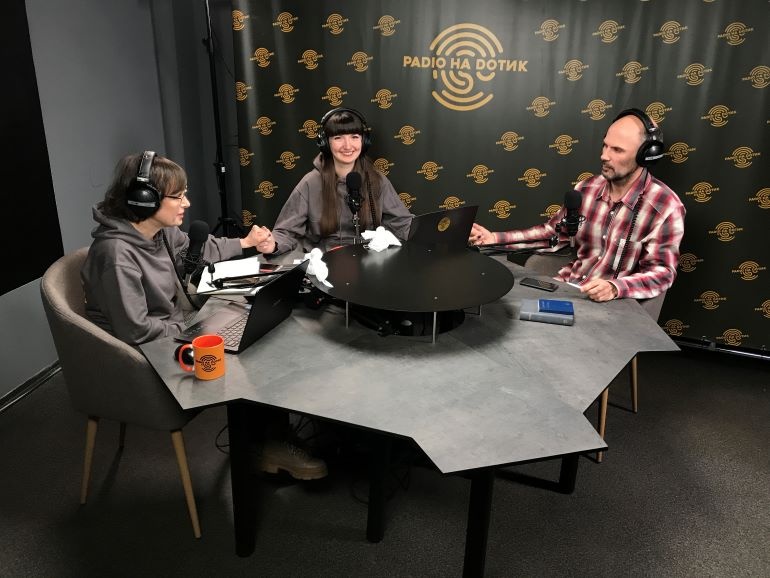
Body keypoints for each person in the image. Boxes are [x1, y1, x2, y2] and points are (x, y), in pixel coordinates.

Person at [81, 150, 327, 481]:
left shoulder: (158, 231)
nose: (187, 203)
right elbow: (135, 331)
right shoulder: (116, 255)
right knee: (252, 360)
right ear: (144, 199)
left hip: (170, 330)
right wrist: (194, 329)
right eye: (178, 196)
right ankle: (266, 448)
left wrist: (246, 242)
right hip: (139, 359)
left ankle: (270, 439)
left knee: (258, 333)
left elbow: (196, 250)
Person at [470, 108, 685, 302]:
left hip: (611, 306)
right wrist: (495, 239)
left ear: (646, 155)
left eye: (617, 150)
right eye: (605, 146)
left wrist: (615, 287)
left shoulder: (665, 207)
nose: (604, 156)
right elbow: (551, 234)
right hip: (567, 289)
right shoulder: (587, 188)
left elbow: (662, 273)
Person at [254, 107, 413, 256]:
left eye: (354, 137)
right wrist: (272, 244)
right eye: (338, 138)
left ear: (364, 141)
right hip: (325, 265)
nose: (348, 146)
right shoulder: (311, 183)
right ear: (325, 143)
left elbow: (402, 223)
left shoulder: (376, 180)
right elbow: (285, 232)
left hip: (370, 262)